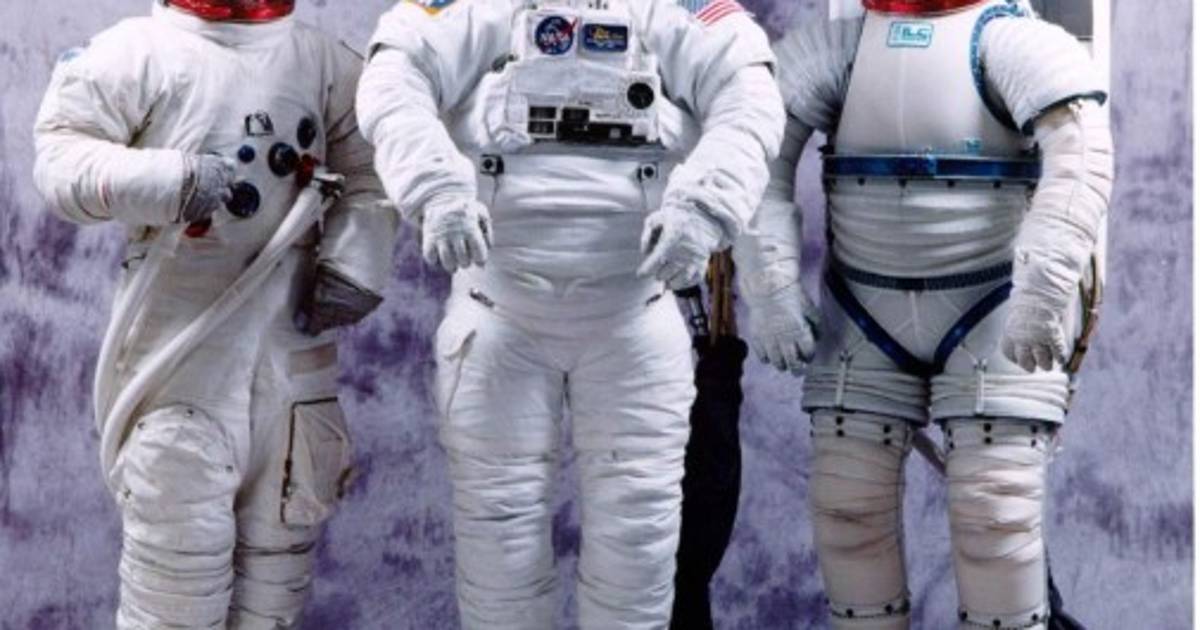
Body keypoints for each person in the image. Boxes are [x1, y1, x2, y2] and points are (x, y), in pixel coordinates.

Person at [356, 0, 784, 627]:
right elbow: (394, 77)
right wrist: (435, 187)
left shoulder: (672, 11)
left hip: (632, 315)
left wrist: (704, 206)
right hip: (499, 313)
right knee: (498, 550)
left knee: (637, 552)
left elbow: (748, 96)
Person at [734, 0, 1113, 627]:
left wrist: (1044, 291)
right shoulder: (835, 50)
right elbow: (754, 155)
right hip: (863, 314)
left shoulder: (1014, 44)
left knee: (997, 519)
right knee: (848, 517)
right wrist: (770, 286)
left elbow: (1080, 161)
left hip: (994, 311)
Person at [32, 1, 397, 627]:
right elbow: (62, 154)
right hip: (180, 369)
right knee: (173, 599)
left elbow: (375, 162)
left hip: (291, 373)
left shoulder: (321, 63)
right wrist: (171, 180)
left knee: (274, 594)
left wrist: (356, 262)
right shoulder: (139, 52)